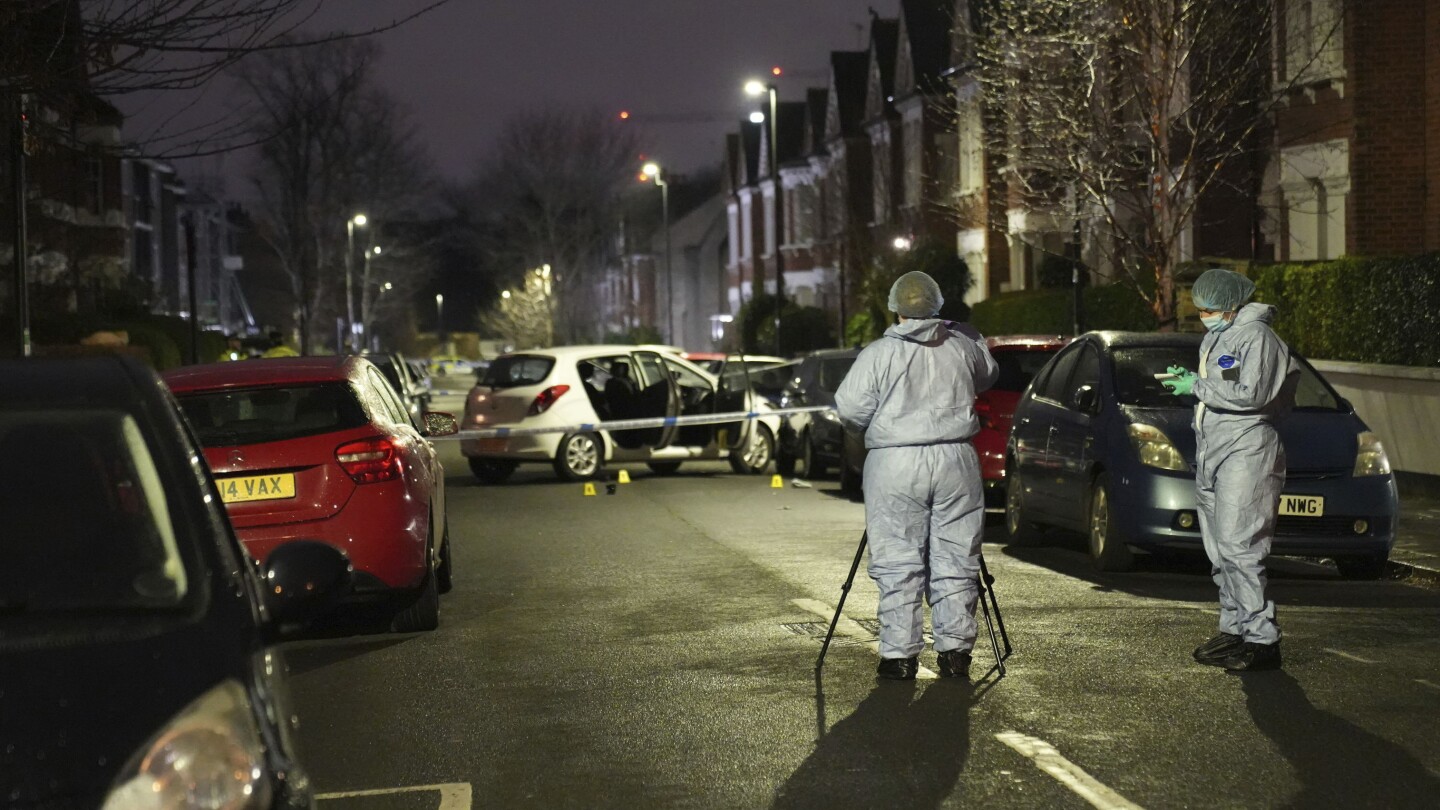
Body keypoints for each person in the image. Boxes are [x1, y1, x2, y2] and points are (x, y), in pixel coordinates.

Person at [834, 271, 999, 681]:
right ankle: (956, 651)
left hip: (896, 461)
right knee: (957, 556)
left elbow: (851, 409)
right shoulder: (961, 346)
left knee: (898, 558)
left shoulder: (877, 354)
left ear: (896, 309)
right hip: (955, 459)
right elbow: (988, 372)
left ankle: (899, 655)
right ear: (938, 305)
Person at [1164, 268, 1298, 672]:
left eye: (1208, 308)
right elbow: (1227, 389)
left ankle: (1262, 638)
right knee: (1221, 551)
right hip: (1215, 451)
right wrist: (1193, 385)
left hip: (1248, 450)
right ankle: (1235, 627)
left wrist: (1197, 387)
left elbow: (1253, 395)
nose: (1202, 313)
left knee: (1241, 548)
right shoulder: (1219, 337)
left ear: (1231, 306)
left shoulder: (1258, 338)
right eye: (1200, 308)